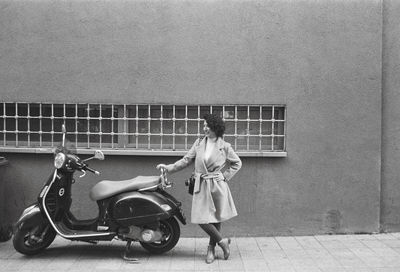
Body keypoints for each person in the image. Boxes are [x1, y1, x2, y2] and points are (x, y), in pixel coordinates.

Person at [156, 113, 242, 264]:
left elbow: (237, 163)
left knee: (215, 218)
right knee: (201, 219)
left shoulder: (225, 147)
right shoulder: (199, 142)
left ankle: (211, 248)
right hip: (201, 185)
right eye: (203, 125)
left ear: (216, 128)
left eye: (207, 126)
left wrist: (225, 176)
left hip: (217, 185)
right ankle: (223, 242)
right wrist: (168, 167)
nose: (204, 128)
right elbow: (186, 160)